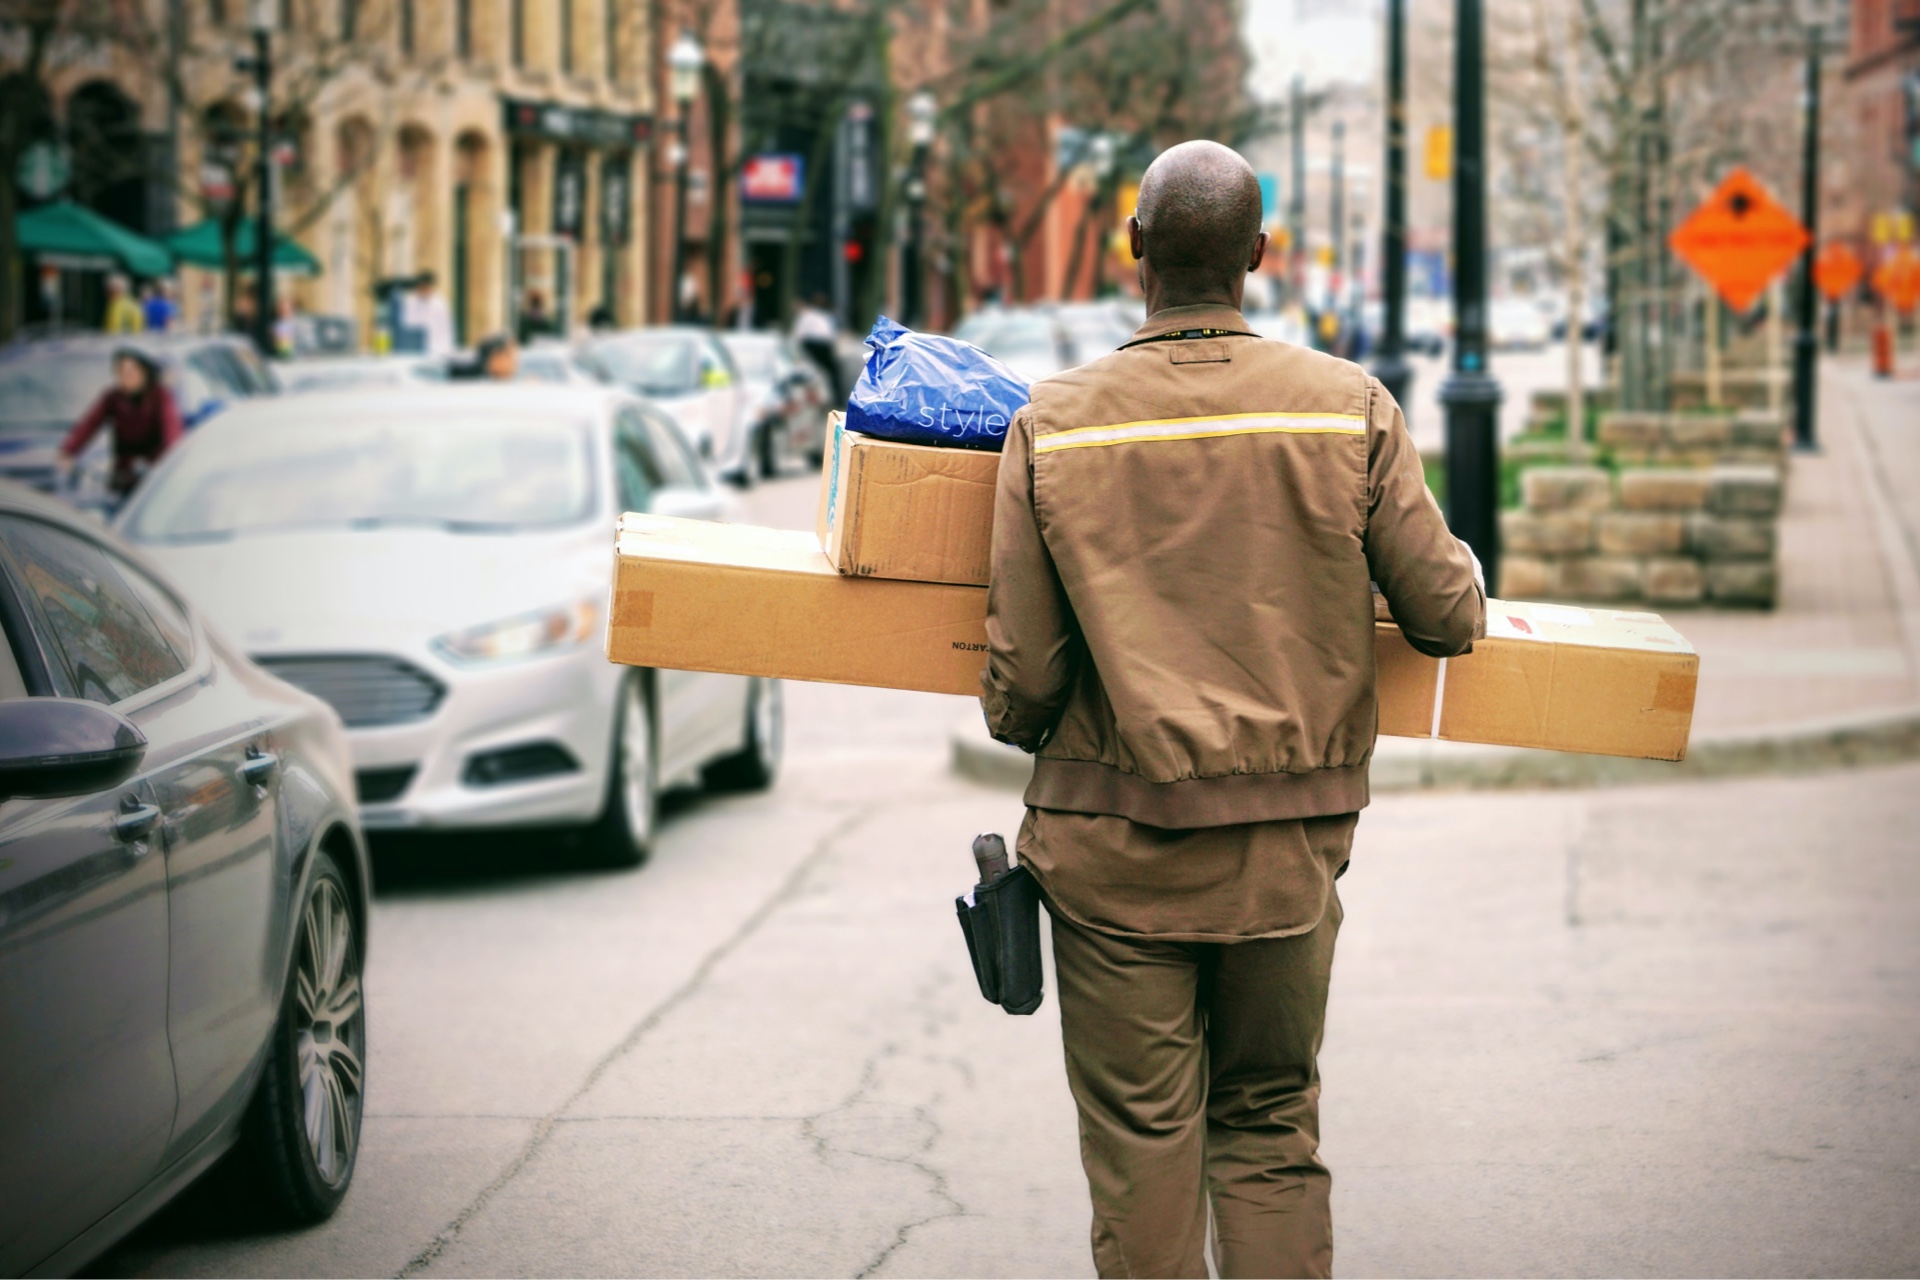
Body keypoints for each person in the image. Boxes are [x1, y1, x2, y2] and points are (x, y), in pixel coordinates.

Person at [981, 141, 1484, 1280]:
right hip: (1285, 860)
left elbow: (1024, 682)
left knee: (1145, 1143)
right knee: (1266, 1126)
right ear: (1259, 256)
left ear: (1134, 251)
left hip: (1113, 857)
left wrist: (1035, 716)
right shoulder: (1346, 408)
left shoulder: (1051, 425)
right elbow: (1448, 614)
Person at [58, 348, 184, 500]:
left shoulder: (160, 396)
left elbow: (172, 429)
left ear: (144, 373)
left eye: (131, 373)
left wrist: (173, 461)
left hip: (154, 474)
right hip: (123, 474)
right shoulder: (113, 397)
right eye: (121, 374)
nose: (126, 379)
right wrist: (68, 451)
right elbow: (89, 424)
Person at [791, 293, 840, 402]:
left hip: (818, 346)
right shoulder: (814, 315)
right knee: (829, 373)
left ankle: (833, 398)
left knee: (829, 373)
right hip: (816, 346)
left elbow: (798, 335)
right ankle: (834, 398)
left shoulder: (814, 315)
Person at [404, 271, 456, 355]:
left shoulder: (440, 304)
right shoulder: (410, 302)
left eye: (426, 287)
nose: (423, 290)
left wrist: (448, 351)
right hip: (415, 350)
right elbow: (407, 325)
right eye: (421, 288)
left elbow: (447, 330)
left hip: (439, 349)